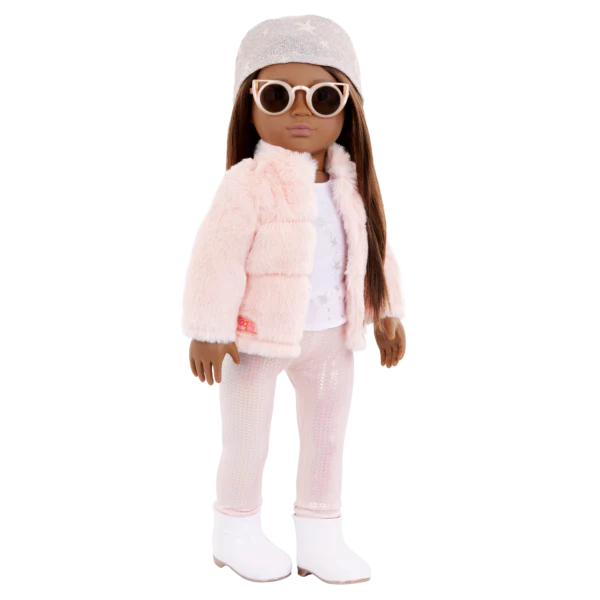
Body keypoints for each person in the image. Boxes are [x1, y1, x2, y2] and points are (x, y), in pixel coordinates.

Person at [181, 15, 407, 585]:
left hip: (333, 335)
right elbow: (216, 258)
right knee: (246, 435)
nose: (301, 111)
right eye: (279, 96)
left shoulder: (352, 183)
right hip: (257, 336)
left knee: (328, 436)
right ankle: (235, 529)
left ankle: (319, 530)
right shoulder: (249, 183)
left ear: (346, 109)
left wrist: (386, 313)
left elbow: (374, 251)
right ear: (250, 107)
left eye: (323, 97)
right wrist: (209, 328)